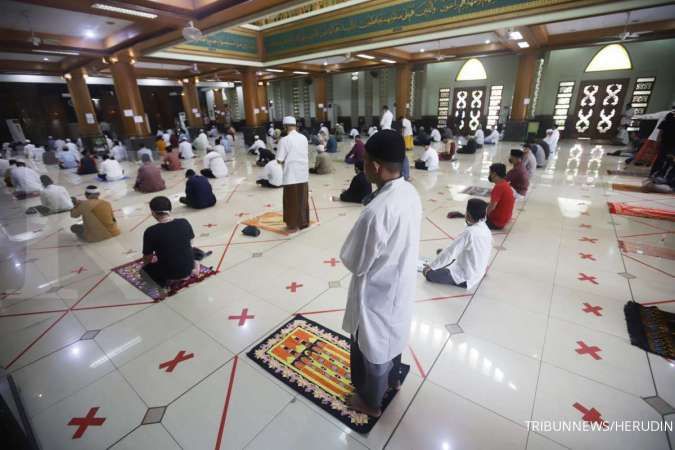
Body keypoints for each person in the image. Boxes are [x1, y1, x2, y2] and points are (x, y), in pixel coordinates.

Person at [340, 129, 422, 417]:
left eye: (364, 163)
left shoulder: (376, 211)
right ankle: (394, 379)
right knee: (393, 335)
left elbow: (355, 262)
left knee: (373, 349)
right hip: (400, 281)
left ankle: (371, 403)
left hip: (377, 291)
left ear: (374, 166)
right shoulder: (410, 191)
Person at [423, 198, 491, 289]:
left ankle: (436, 269)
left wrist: (431, 266)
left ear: (469, 215)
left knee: (428, 274)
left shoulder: (469, 233)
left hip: (465, 277)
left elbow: (450, 252)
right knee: (442, 253)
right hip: (479, 271)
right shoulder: (485, 228)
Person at [141, 196, 198, 297]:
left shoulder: (151, 231)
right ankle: (195, 269)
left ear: (153, 213)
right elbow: (190, 243)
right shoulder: (184, 222)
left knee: (144, 272)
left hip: (169, 273)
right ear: (170, 210)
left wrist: (146, 266)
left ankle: (164, 285)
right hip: (189, 267)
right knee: (193, 252)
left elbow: (148, 258)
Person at [276, 116, 310, 233]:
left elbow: (279, 159)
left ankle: (292, 224)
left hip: (291, 175)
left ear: (285, 127)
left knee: (291, 200)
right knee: (302, 199)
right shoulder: (304, 138)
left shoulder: (284, 140)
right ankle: (303, 222)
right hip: (303, 174)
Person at [486, 163, 515, 230]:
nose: (489, 175)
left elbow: (492, 206)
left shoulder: (498, 187)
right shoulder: (505, 184)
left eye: (490, 173)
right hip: (505, 219)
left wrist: (484, 216)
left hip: (496, 222)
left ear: (494, 174)